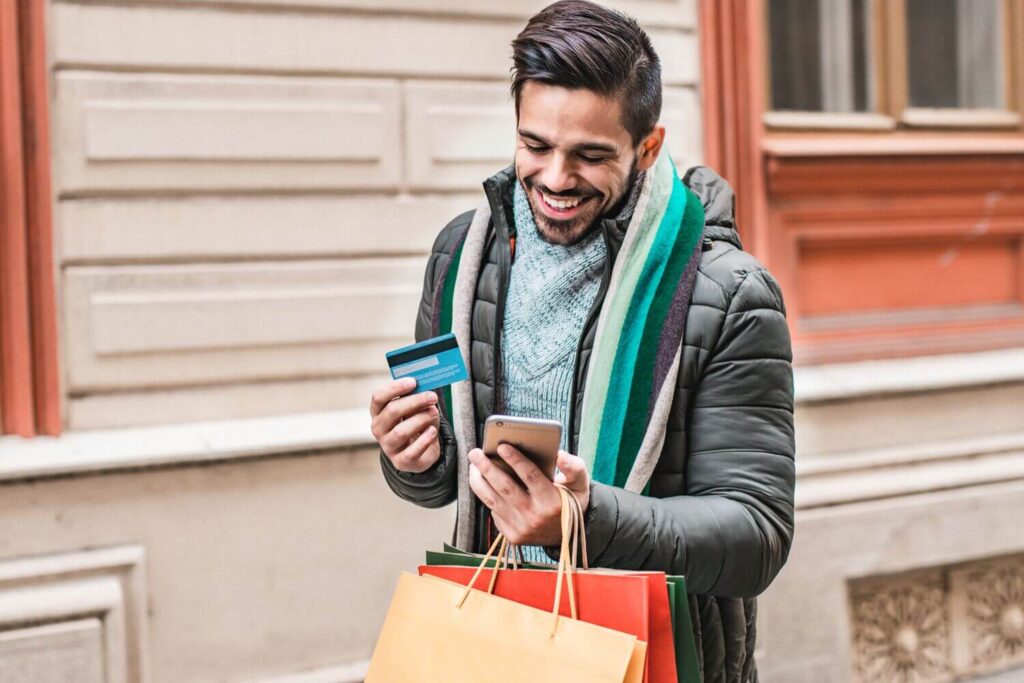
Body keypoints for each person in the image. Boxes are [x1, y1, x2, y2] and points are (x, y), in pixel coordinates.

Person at [369, 1, 795, 680]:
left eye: (590, 156)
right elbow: (452, 477)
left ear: (647, 147)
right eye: (535, 146)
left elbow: (755, 536)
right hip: (497, 646)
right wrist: (413, 458)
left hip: (654, 657)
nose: (556, 178)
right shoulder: (463, 257)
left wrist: (582, 520)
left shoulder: (729, 295)